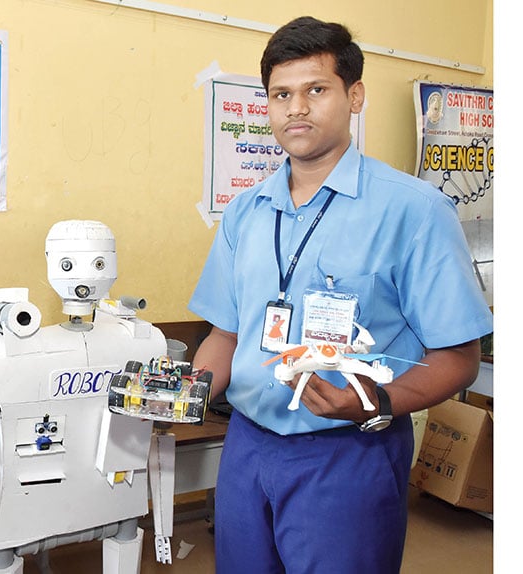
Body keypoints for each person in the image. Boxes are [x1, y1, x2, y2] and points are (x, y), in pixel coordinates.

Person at [188, 16, 493, 574]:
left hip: (350, 450)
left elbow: (459, 358)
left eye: (316, 90)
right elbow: (225, 335)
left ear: (355, 96)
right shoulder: (246, 212)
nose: (296, 109)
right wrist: (184, 395)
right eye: (281, 94)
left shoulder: (414, 211)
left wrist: (374, 403)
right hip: (247, 448)